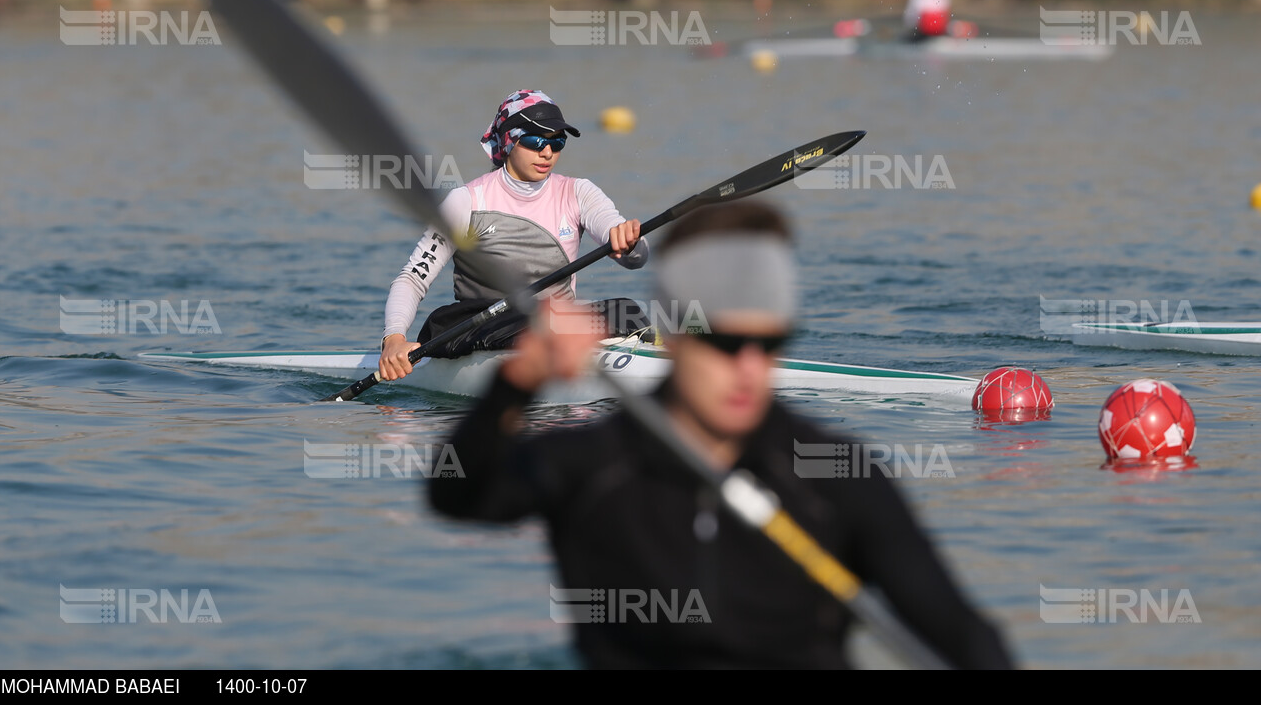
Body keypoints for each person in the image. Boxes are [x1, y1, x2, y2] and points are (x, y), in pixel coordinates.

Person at [429, 200, 1016, 669]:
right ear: (676, 336)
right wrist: (517, 383)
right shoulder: (592, 464)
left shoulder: (833, 472)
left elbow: (957, 628)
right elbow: (453, 494)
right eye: (728, 346)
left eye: (770, 346)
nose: (751, 370)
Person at [379, 89, 650, 381]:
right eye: (535, 141)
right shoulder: (466, 201)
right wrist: (393, 339)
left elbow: (636, 256)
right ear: (508, 140)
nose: (547, 152)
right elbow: (414, 277)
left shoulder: (578, 192)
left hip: (555, 325)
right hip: (481, 323)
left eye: (557, 142)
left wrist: (629, 243)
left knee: (629, 311)